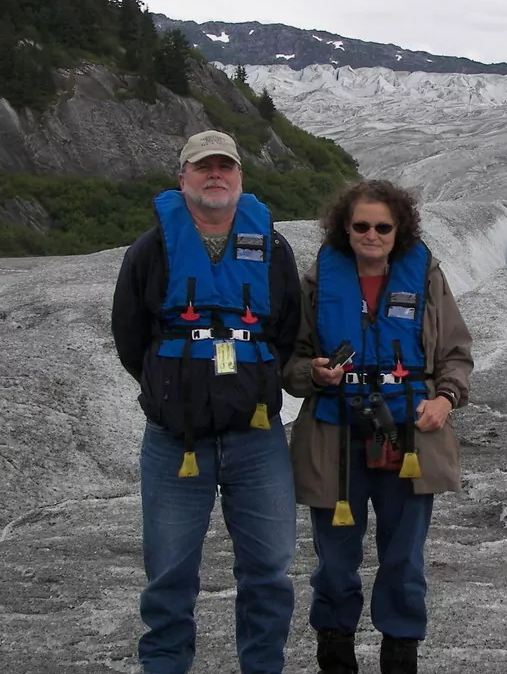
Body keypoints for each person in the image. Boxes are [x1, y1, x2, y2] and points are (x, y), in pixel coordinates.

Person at [111, 129, 301, 674]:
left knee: (269, 570)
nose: (215, 175)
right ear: (183, 178)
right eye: (203, 167)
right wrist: (172, 387)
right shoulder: (150, 250)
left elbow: (285, 329)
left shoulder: (273, 248)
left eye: (226, 167)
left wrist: (252, 382)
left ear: (240, 177)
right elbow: (131, 335)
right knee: (169, 574)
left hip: (256, 435)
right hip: (176, 440)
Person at [283, 180, 474, 674]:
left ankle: (400, 658)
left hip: (409, 437)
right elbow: (291, 361)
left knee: (404, 560)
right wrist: (313, 373)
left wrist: (445, 399)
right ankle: (336, 656)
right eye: (361, 225)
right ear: (345, 228)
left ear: (399, 230)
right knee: (336, 561)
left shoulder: (426, 277)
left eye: (382, 226)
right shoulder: (319, 280)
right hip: (336, 437)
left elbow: (455, 353)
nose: (372, 234)